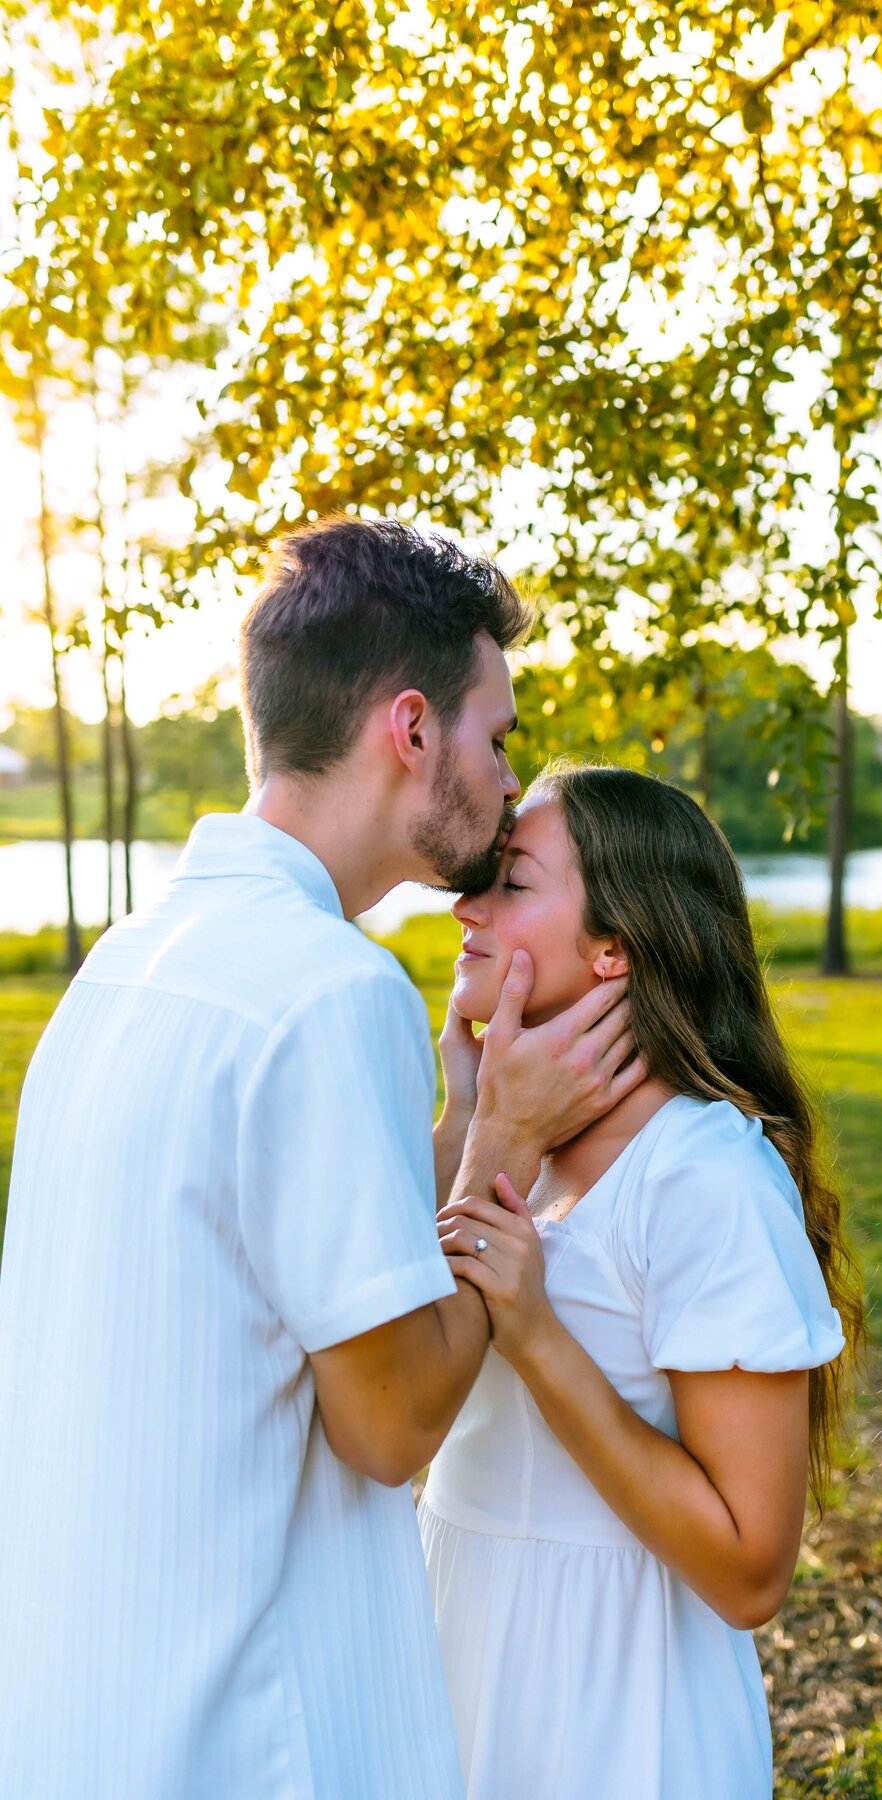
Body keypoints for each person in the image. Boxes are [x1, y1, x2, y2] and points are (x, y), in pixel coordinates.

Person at [0, 519, 645, 1799]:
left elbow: (280, 1269)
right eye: (498, 734)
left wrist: (463, 1118)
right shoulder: (329, 993)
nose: (509, 781)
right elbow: (392, 1421)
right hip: (246, 1734)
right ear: (413, 730)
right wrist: (508, 1142)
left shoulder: (123, 968)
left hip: (73, 1716)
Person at [423, 761, 865, 1800]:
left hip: (613, 1709)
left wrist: (535, 1335)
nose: (464, 907)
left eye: (511, 883)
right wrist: (466, 1135)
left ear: (615, 948)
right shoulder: (497, 1145)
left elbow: (751, 1569)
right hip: (452, 1648)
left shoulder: (706, 1178)